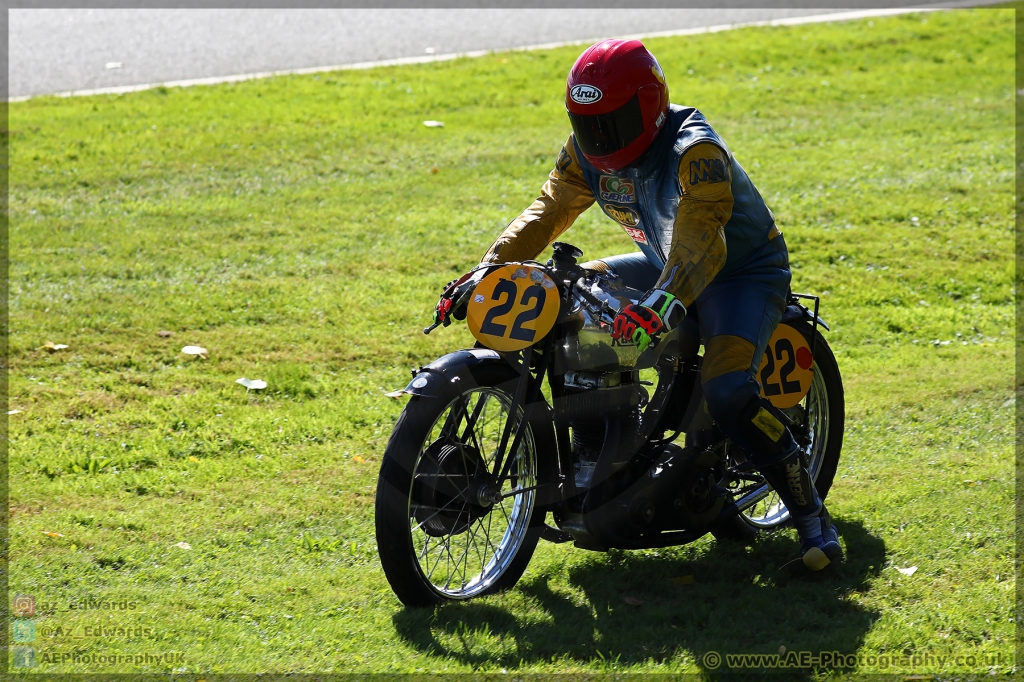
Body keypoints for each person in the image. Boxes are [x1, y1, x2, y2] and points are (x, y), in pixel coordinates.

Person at [442, 39, 841, 571]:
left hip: (738, 273)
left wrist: (662, 303)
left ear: (651, 106)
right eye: (590, 123)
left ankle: (815, 522)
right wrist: (489, 268)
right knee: (565, 297)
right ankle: (599, 451)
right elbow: (548, 209)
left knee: (726, 392)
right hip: (659, 258)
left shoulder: (695, 152)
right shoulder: (582, 152)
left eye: (614, 121)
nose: (600, 137)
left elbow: (703, 239)